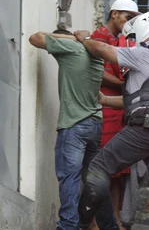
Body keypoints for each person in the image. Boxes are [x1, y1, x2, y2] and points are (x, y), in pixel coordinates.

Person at [75, 11, 149, 230]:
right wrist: (106, 100)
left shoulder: (145, 55)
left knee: (98, 167)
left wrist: (84, 38)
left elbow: (101, 50)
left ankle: (81, 225)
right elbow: (144, 100)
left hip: (145, 131)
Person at [28, 30, 119, 230]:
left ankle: (68, 226)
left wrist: (69, 38)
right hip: (94, 124)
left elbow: (34, 38)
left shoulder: (71, 48)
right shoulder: (95, 56)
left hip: (74, 125)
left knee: (70, 178)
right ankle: (110, 226)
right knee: (95, 180)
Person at [90, 0, 140, 230]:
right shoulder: (100, 36)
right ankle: (93, 222)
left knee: (119, 171)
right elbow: (96, 73)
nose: (130, 23)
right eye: (127, 18)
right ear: (114, 14)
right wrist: (124, 87)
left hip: (119, 111)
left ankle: (116, 220)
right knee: (101, 169)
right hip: (104, 109)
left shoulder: (121, 40)